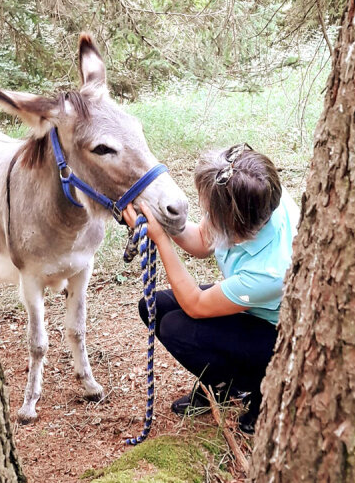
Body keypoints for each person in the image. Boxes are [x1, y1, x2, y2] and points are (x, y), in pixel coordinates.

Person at [122, 143, 299, 434]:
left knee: (177, 327)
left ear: (234, 224)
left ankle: (265, 390)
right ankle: (224, 385)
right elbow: (202, 240)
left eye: (209, 210)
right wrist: (162, 220)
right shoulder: (253, 200)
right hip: (250, 305)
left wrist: (161, 240)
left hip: (278, 337)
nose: (205, 213)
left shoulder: (273, 269)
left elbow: (196, 303)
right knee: (153, 308)